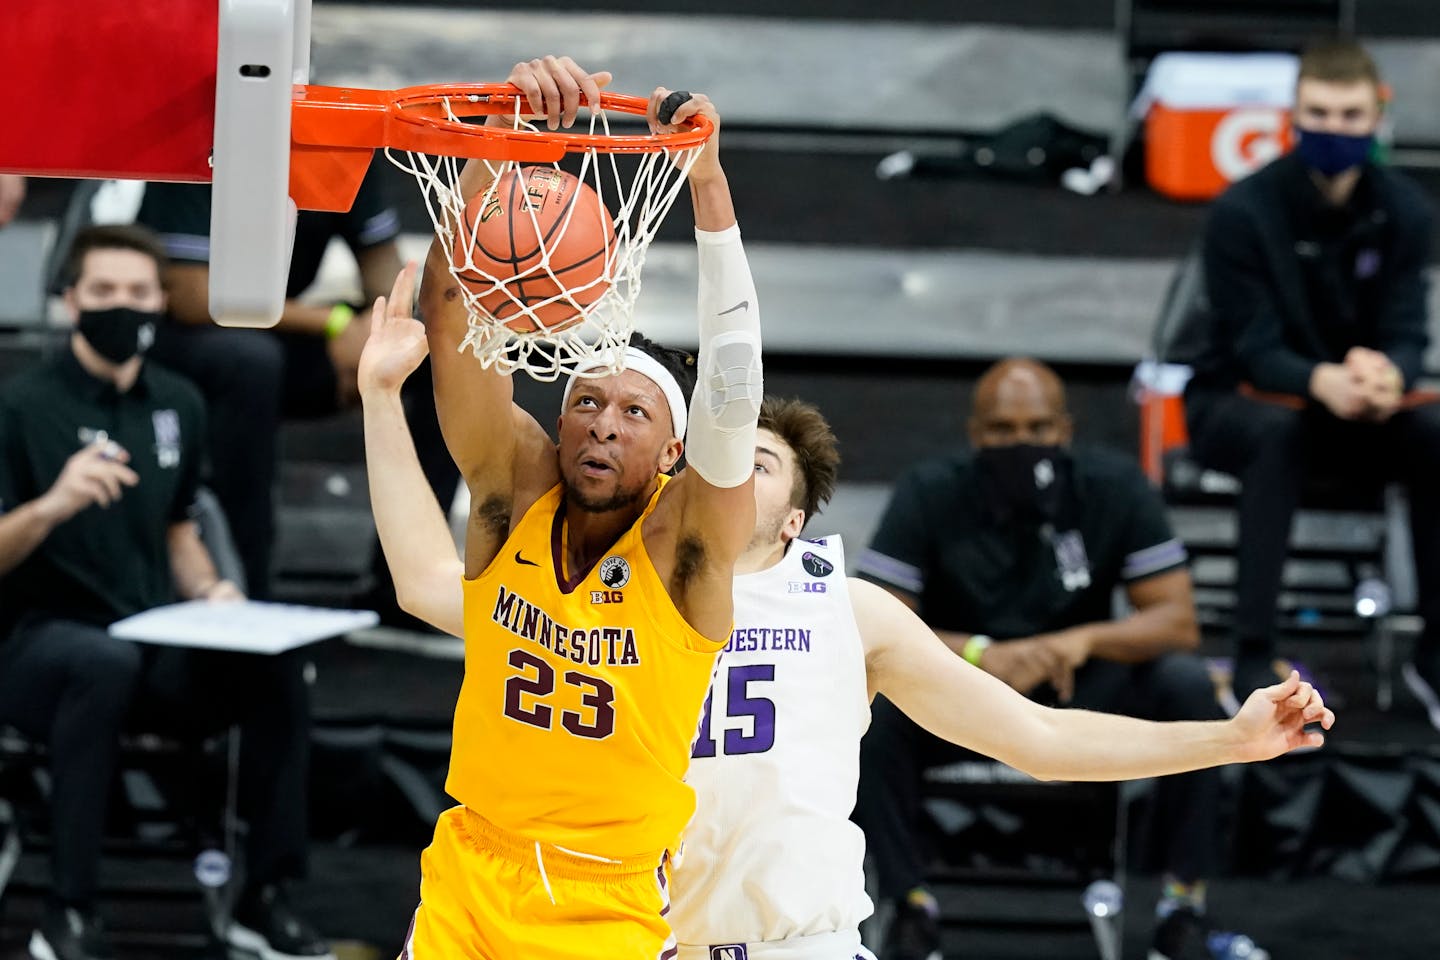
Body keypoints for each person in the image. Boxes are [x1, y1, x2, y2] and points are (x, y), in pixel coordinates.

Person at [357, 301, 1332, 960]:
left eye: (760, 467)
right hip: (639, 937)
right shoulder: (581, 594)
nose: (728, 477)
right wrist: (383, 395)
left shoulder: (848, 610)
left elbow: (1039, 739)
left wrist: (1231, 740)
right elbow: (423, 580)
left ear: (791, 518)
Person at [385, 56, 763, 959]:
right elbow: (449, 314)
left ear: (672, 452)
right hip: (470, 873)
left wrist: (706, 186)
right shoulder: (514, 495)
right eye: (586, 401)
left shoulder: (686, 552)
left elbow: (733, 388)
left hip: (607, 897)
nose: (602, 423)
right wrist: (497, 146)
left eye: (635, 412)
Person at [854, 358, 1260, 960]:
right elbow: (867, 624)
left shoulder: (1112, 485)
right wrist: (979, 653)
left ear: (1064, 431)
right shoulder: (931, 491)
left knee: (1185, 685)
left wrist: (1083, 641)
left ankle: (1183, 906)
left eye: (1038, 429)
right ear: (975, 435)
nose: (1022, 444)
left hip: (1076, 681)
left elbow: (1177, 621)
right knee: (876, 709)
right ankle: (909, 905)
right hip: (965, 691)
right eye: (1003, 431)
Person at [0, 225, 329, 960]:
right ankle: (69, 911)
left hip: (150, 634)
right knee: (99, 663)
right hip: (34, 646)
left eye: (139, 293)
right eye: (105, 292)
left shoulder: (179, 401)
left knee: (277, 668)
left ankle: (265, 898)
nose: (125, 307)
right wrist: (53, 504)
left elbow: (181, 524)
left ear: (161, 301)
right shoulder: (20, 406)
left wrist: (214, 591)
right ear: (69, 300)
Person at [1183, 38, 1440, 721]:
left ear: (1378, 114)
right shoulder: (1243, 212)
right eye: (1319, 114)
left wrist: (1390, 373)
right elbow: (1252, 347)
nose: (1335, 129)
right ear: (1293, 115)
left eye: (1350, 115)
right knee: (1280, 435)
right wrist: (1320, 379)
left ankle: (1433, 657)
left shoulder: (1406, 212)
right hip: (1237, 403)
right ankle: (1251, 653)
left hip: (1351, 409)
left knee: (1433, 431)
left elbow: (1410, 329)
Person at [132, 159, 459, 610]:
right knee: (249, 364)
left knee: (438, 354)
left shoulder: (338, 150)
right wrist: (335, 322)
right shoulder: (208, 145)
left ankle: (410, 585)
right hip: (182, 339)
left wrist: (380, 326)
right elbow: (192, 295)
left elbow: (381, 262)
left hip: (278, 335)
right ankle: (247, 585)